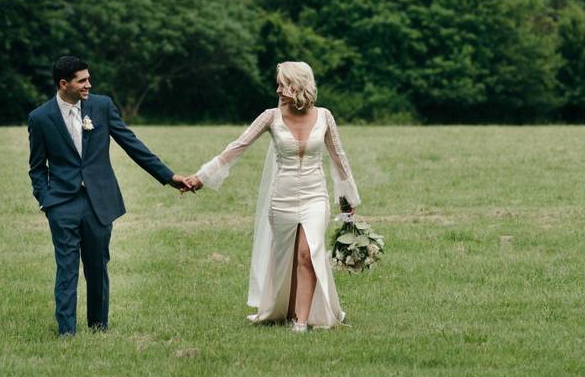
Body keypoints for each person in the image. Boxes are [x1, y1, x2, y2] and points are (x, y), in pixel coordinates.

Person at [184, 62, 360, 332]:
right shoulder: (270, 116)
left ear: (297, 85)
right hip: (282, 199)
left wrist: (348, 199)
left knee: (307, 253)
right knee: (285, 259)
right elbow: (237, 146)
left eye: (282, 84)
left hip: (315, 196)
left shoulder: (325, 116)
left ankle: (301, 322)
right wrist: (202, 176)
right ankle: (286, 310)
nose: (277, 89)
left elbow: (339, 157)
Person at [27, 56, 192, 336]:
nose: (88, 85)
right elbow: (36, 167)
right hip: (62, 203)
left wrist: (168, 176)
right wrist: (47, 201)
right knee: (66, 269)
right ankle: (66, 331)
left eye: (89, 79)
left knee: (97, 267)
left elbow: (131, 143)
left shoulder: (101, 106)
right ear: (63, 84)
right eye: (82, 80)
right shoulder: (40, 118)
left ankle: (98, 327)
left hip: (98, 202)